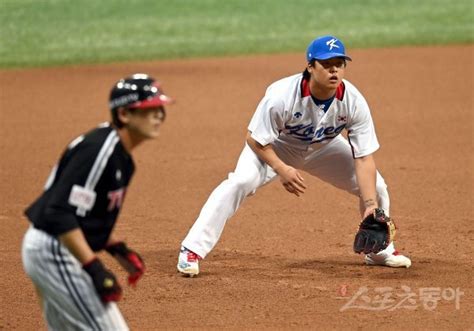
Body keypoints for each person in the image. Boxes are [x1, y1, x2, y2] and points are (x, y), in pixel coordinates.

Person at [177, 35, 411, 277]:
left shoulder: (353, 100)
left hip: (324, 148)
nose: (334, 70)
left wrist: (370, 205)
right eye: (326, 64)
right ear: (310, 66)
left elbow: (363, 157)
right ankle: (191, 249)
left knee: (378, 188)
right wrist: (281, 168)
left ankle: (379, 252)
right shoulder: (281, 96)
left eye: (339, 64)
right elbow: (255, 139)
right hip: (276, 147)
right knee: (240, 182)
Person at [21, 73, 173, 330]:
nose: (159, 115)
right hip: (55, 250)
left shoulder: (121, 158)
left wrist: (116, 248)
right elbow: (58, 212)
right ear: (124, 114)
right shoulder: (101, 151)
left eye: (161, 108)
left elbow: (85, 215)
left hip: (54, 245)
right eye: (150, 109)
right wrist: (93, 268)